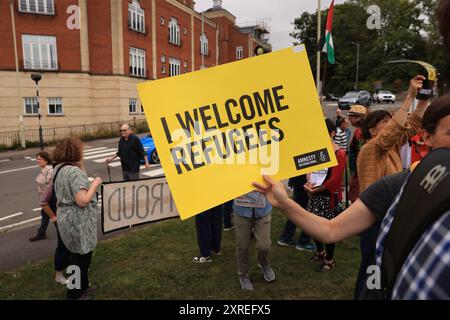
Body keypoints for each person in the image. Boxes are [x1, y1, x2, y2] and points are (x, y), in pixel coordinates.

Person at [253, 93, 450, 299]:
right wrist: (284, 203)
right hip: (375, 235)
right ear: (428, 137)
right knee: (371, 275)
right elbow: (331, 229)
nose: (391, 126)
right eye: (385, 123)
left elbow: (409, 125)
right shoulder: (384, 162)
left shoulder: (393, 149)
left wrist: (422, 98)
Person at [52, 137, 102, 300]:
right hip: (77, 221)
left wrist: (80, 165)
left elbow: (79, 183)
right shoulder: (73, 172)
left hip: (66, 219)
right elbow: (82, 200)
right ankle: (74, 294)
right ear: (76, 151)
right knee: (81, 259)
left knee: (77, 256)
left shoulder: (59, 169)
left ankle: (83, 287)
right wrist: (95, 183)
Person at [304, 119, 346, 272]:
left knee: (328, 229)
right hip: (315, 195)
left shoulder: (339, 153)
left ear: (332, 133)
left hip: (329, 197)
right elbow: (310, 170)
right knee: (313, 226)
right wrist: (308, 183)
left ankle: (329, 259)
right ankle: (320, 251)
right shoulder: (318, 151)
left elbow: (335, 180)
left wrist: (317, 189)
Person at [233, 191, 275, 291]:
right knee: (242, 246)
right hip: (241, 210)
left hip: (263, 210)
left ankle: (264, 263)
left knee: (263, 245)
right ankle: (243, 274)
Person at [40, 179, 70, 285]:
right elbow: (43, 201)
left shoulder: (70, 177)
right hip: (62, 221)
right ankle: (59, 274)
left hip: (73, 220)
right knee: (63, 246)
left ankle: (74, 270)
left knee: (74, 246)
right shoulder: (54, 182)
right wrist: (53, 217)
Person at [277, 174, 316, 252]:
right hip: (305, 182)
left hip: (298, 180)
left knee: (296, 209)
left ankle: (286, 237)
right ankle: (303, 241)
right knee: (307, 211)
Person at [29, 151, 53, 242]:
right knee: (45, 215)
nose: (37, 160)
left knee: (54, 217)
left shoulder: (50, 171)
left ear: (46, 160)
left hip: (49, 200)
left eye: (40, 159)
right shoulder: (43, 170)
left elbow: (52, 185)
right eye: (37, 159)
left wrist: (46, 198)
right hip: (45, 200)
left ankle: (41, 234)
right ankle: (41, 233)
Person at [347, 105, 367, 203]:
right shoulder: (363, 130)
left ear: (357, 117)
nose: (349, 119)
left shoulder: (360, 132)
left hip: (360, 170)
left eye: (350, 117)